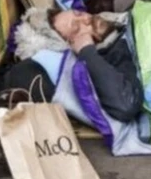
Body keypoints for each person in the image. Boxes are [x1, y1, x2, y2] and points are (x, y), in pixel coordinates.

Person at [8, 7, 143, 123]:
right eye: (77, 27)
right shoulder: (111, 54)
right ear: (73, 45)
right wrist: (87, 52)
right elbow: (125, 104)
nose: (86, 20)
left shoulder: (122, 22)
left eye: (79, 13)